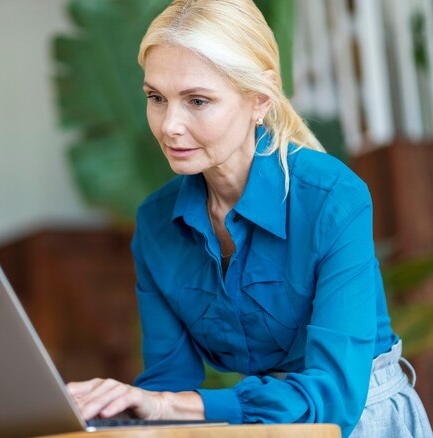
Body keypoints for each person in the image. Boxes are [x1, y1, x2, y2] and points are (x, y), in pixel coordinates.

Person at [66, 0, 433, 436]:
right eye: (156, 98)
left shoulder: (332, 197)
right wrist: (110, 409)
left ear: (259, 100)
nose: (169, 126)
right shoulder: (156, 223)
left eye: (197, 100)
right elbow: (166, 387)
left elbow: (332, 397)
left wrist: (168, 403)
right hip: (253, 428)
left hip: (360, 422)